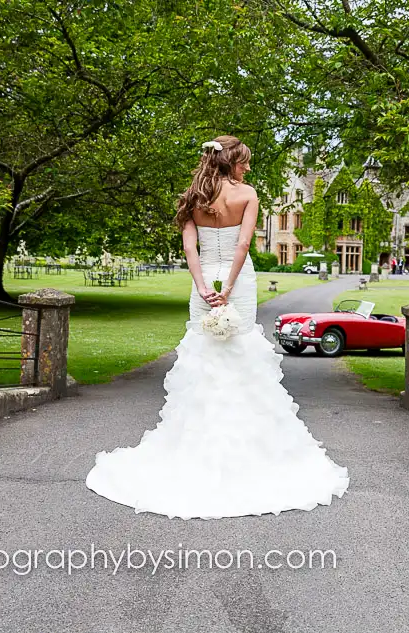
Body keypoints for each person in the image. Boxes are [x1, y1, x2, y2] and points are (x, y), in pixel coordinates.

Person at [86, 135, 350, 519]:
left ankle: (201, 444)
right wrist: (227, 287)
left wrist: (202, 286)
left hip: (203, 281)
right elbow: (243, 246)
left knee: (205, 356)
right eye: (243, 161)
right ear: (229, 162)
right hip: (237, 283)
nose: (247, 168)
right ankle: (245, 451)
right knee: (237, 354)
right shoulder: (248, 195)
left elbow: (190, 249)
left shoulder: (194, 198)